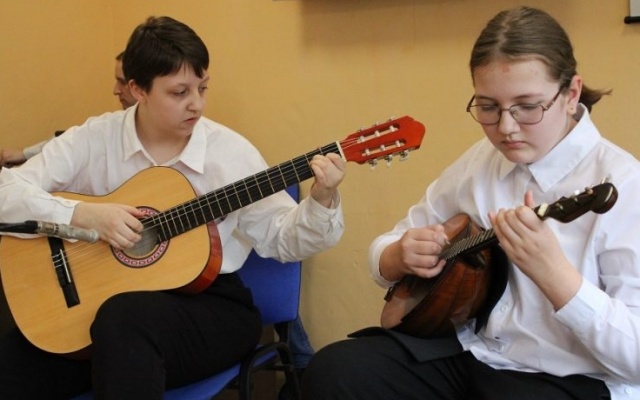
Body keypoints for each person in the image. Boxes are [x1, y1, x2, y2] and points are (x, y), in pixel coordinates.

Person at [302, 6, 640, 400]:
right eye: (488, 107)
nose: (506, 128)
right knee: (336, 371)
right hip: (474, 354)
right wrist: (398, 254)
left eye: (527, 106)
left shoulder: (625, 183)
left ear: (571, 94)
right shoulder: (482, 160)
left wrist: (554, 274)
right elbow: (387, 248)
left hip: (570, 377)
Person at [0, 15, 345, 400]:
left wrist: (323, 199)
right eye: (180, 92)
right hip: (100, 313)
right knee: (13, 365)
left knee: (124, 322)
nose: (196, 104)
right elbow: (5, 190)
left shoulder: (228, 152)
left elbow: (284, 240)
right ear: (138, 89)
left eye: (202, 87)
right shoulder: (96, 137)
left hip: (210, 307)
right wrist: (82, 214)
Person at [0, 52, 136, 168]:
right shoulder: (108, 127)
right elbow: (69, 142)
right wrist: (23, 154)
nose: (115, 91)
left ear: (140, 86)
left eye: (122, 82)